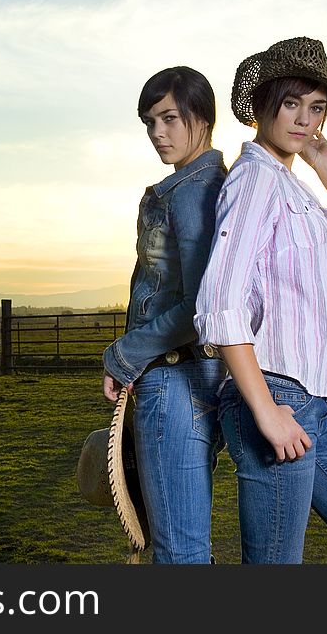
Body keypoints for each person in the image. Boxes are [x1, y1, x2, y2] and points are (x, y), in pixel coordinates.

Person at [194, 37, 327, 564]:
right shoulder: (254, 182)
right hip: (275, 396)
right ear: (264, 104)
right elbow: (220, 302)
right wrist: (264, 410)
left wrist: (324, 161)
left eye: (317, 108)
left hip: (315, 406)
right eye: (293, 103)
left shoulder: (294, 189)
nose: (304, 119)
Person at [102, 66, 227, 564]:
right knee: (185, 543)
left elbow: (201, 306)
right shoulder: (190, 185)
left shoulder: (195, 190)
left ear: (203, 117)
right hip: (195, 377)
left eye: (170, 118)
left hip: (175, 377)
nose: (157, 133)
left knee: (177, 551)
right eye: (150, 122)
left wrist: (123, 355)